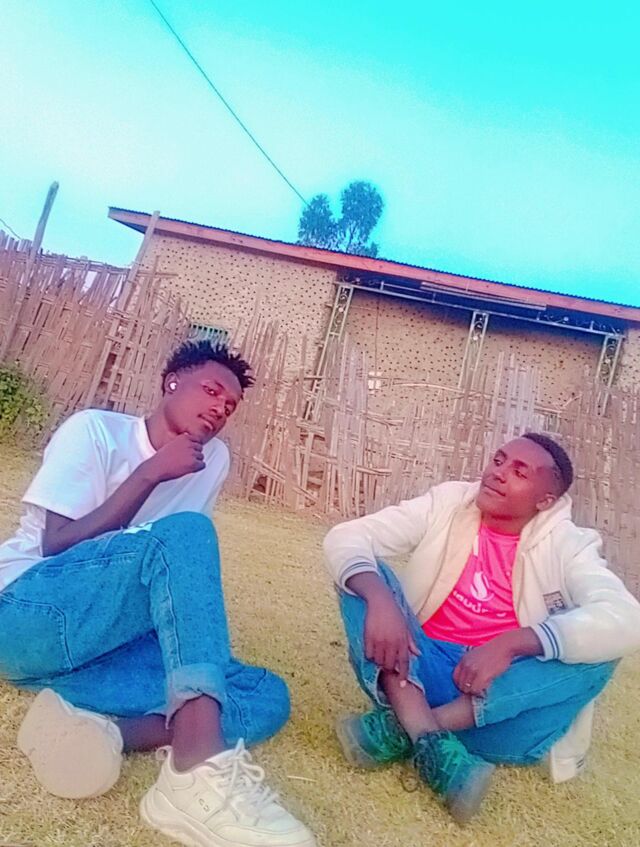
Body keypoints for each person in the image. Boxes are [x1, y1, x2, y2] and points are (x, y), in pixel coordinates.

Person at [0, 339, 316, 847]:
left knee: (264, 694)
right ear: (172, 382)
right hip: (26, 614)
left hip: (97, 646)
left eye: (230, 405)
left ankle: (106, 734)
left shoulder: (213, 460)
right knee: (186, 531)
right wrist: (150, 473)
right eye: (211, 391)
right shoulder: (95, 430)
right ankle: (194, 770)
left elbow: (170, 575)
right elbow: (55, 545)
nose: (220, 408)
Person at [323, 433, 640, 824]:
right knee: (363, 577)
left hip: (502, 711)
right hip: (417, 677)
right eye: (499, 460)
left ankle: (408, 728)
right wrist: (380, 600)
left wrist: (513, 644)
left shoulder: (569, 545)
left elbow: (626, 617)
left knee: (602, 648)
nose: (498, 473)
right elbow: (348, 536)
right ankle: (429, 741)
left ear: (545, 501)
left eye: (519, 472)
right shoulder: (449, 503)